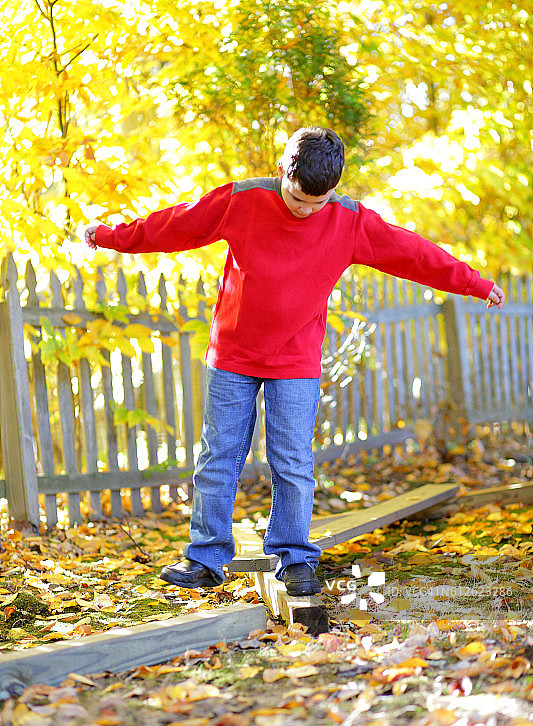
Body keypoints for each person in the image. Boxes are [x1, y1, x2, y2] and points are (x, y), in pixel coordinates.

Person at [85, 126, 505, 596]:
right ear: (283, 170)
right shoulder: (241, 200)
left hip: (295, 359)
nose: (304, 209)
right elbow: (175, 225)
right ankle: (206, 558)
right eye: (296, 196)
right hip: (233, 355)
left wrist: (475, 283)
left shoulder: (349, 221)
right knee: (218, 457)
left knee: (292, 462)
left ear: (334, 190)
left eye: (316, 202)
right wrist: (109, 237)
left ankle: (294, 556)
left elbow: (413, 254)